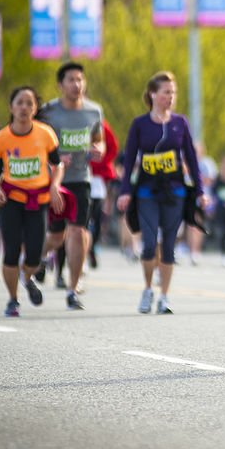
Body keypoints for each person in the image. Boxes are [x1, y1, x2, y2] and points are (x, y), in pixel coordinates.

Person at [118, 71, 207, 315]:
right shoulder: (140, 124)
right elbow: (128, 162)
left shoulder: (180, 123)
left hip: (175, 191)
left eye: (173, 92)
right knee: (148, 244)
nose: (170, 97)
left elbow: (191, 157)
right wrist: (125, 191)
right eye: (166, 92)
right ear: (153, 94)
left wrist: (199, 191)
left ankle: (165, 297)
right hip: (147, 191)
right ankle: (148, 289)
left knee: (168, 245)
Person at [0, 86, 64, 318]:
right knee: (11, 252)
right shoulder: (2, 138)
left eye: (29, 103)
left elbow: (57, 164)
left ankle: (27, 276)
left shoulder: (45, 133)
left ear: (35, 108)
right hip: (11, 199)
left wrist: (54, 186)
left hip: (38, 200)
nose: (24, 107)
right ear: (11, 107)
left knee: (34, 254)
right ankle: (13, 300)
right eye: (19, 103)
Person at [37, 62, 105, 310]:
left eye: (80, 80)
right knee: (56, 235)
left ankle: (72, 289)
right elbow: (35, 145)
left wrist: (99, 150)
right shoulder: (47, 112)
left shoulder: (94, 111)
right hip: (52, 181)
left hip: (80, 179)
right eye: (71, 80)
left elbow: (99, 140)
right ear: (60, 84)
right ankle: (38, 257)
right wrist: (53, 159)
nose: (77, 85)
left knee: (78, 231)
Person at [88, 118, 119, 271]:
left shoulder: (100, 124)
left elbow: (112, 147)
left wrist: (100, 162)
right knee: (79, 221)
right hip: (75, 176)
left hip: (96, 178)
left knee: (97, 215)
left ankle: (92, 246)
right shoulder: (68, 122)